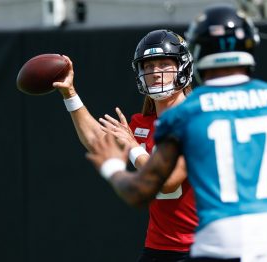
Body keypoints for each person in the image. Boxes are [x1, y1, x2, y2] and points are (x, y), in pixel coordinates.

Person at [85, 4, 267, 262]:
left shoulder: (186, 114)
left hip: (221, 241)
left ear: (196, 55)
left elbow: (142, 191)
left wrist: (111, 167)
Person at [53, 29, 198, 262]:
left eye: (164, 65)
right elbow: (98, 142)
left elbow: (168, 182)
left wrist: (131, 145)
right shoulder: (143, 123)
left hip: (198, 248)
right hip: (159, 247)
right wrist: (70, 94)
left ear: (183, 68)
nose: (155, 73)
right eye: (148, 67)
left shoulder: (194, 117)